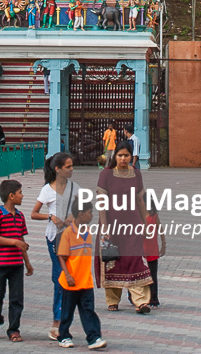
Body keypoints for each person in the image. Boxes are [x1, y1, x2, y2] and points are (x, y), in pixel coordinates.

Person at [96, 141, 151, 313]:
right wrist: (105, 227)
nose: (123, 158)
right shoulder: (106, 174)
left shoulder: (136, 173)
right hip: (111, 224)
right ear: (115, 156)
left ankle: (141, 301)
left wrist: (146, 222)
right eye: (120, 155)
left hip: (132, 224)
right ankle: (112, 300)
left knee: (135, 260)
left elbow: (140, 199)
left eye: (126, 155)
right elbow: (101, 201)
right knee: (113, 260)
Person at [31, 152, 80, 342]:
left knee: (70, 279)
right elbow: (34, 213)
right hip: (55, 238)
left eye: (72, 166)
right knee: (60, 278)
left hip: (73, 238)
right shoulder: (47, 190)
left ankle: (63, 322)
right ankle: (57, 324)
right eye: (68, 167)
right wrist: (51, 217)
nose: (71, 169)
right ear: (57, 169)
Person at [0, 178, 33, 341]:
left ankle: (14, 329)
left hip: (16, 265)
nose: (22, 196)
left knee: (16, 298)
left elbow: (21, 241)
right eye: (20, 193)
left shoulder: (20, 216)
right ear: (11, 195)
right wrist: (14, 242)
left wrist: (27, 263)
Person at [56, 200, 106, 349]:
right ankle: (63, 336)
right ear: (81, 214)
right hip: (71, 282)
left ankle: (94, 338)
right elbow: (61, 255)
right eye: (90, 212)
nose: (91, 215)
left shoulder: (88, 232)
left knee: (88, 310)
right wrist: (68, 275)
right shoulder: (68, 233)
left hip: (85, 281)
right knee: (67, 312)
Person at [143, 203, 165, 308]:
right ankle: (137, 297)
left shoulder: (154, 217)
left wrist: (163, 246)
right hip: (141, 252)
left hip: (152, 251)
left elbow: (161, 231)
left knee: (152, 276)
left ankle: (153, 298)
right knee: (140, 275)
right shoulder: (139, 217)